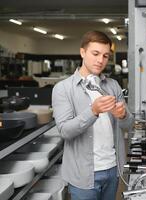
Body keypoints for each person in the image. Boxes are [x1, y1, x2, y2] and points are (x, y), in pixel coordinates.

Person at [52, 30, 134, 200]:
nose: (100, 60)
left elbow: (129, 125)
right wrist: (93, 111)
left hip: (112, 169)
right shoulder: (63, 89)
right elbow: (65, 131)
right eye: (95, 53)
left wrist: (123, 115)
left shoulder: (113, 85)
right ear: (82, 52)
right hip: (83, 174)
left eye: (105, 56)